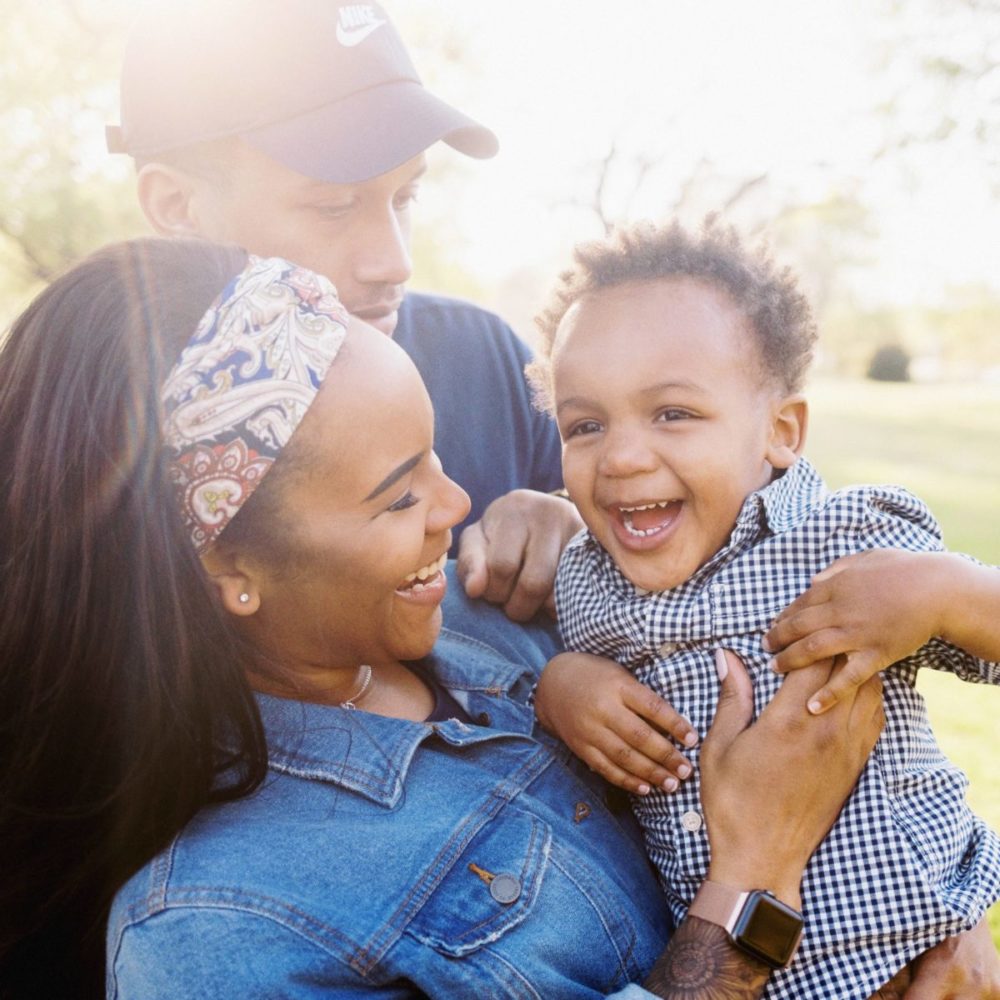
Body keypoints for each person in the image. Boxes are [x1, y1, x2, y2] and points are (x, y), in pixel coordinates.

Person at [0, 236, 891, 999]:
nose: (457, 501)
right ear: (233, 567)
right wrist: (755, 880)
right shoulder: (207, 929)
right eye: (397, 498)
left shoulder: (497, 603)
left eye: (434, 455)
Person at [527, 220, 1000, 999]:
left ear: (780, 432)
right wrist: (561, 687)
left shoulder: (846, 541)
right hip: (736, 971)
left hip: (910, 962)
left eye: (672, 413)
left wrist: (941, 593)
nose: (621, 456)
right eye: (586, 424)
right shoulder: (582, 583)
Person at [106, 0, 580, 622]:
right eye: (334, 208)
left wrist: (571, 519)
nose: (395, 261)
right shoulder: (92, 431)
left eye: (405, 196)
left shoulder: (485, 356)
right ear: (176, 205)